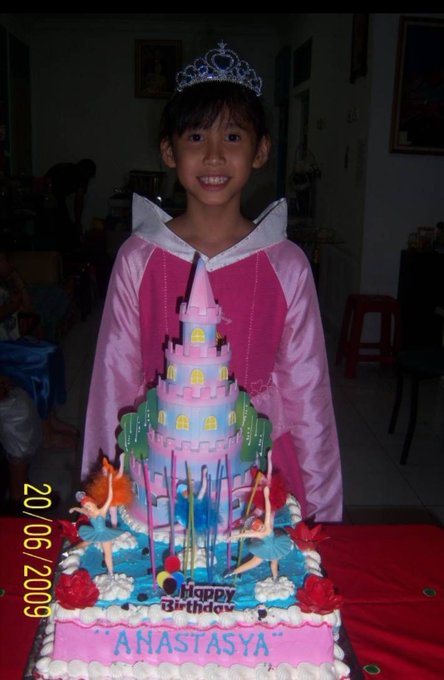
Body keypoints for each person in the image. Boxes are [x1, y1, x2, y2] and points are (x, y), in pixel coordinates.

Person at [81, 42, 343, 522]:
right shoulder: (139, 259)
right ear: (169, 150)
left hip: (258, 466)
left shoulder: (286, 265)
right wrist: (104, 497)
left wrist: (323, 512)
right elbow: (112, 384)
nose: (215, 156)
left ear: (261, 150)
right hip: (159, 467)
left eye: (234, 137)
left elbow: (309, 395)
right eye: (197, 136)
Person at [226, 486, 293, 580]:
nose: (262, 527)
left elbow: (268, 511)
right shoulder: (261, 533)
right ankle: (233, 572)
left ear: (261, 522)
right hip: (268, 548)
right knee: (253, 563)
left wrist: (266, 496)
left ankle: (275, 577)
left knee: (273, 562)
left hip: (275, 546)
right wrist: (233, 536)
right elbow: (246, 534)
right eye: (259, 528)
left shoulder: (266, 528)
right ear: (256, 530)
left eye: (261, 525)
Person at [69, 472, 123, 577]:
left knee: (107, 554)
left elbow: (109, 498)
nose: (88, 508)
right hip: (94, 533)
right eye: (86, 507)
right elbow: (81, 510)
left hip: (104, 534)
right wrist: (74, 509)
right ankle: (71, 551)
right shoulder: (88, 513)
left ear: (93, 503)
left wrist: (110, 483)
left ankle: (111, 573)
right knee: (84, 543)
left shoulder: (101, 511)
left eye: (89, 506)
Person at [44, 158, 96, 252]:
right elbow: (79, 200)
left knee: (58, 226)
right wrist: (78, 222)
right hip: (50, 197)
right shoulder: (81, 176)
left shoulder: (65, 168)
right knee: (61, 227)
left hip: (49, 196)